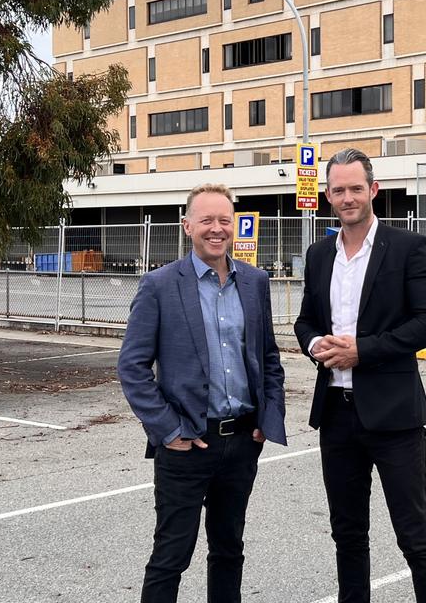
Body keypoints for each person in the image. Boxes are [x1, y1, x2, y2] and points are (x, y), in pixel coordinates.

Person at [295, 148, 426, 603]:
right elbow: (305, 321)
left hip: (394, 418)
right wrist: (315, 346)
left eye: (355, 189)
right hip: (337, 417)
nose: (347, 198)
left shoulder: (407, 247)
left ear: (373, 190)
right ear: (328, 194)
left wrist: (364, 351)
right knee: (347, 534)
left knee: (414, 535)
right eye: (338, 190)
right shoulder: (319, 254)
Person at [118, 183, 286, 603]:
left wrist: (268, 419)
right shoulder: (159, 285)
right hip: (186, 444)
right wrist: (168, 430)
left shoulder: (255, 282)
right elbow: (132, 367)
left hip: (243, 442)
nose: (216, 229)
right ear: (187, 225)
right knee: (171, 555)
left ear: (235, 225)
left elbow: (268, 358)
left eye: (224, 220)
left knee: (229, 550)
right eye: (207, 220)